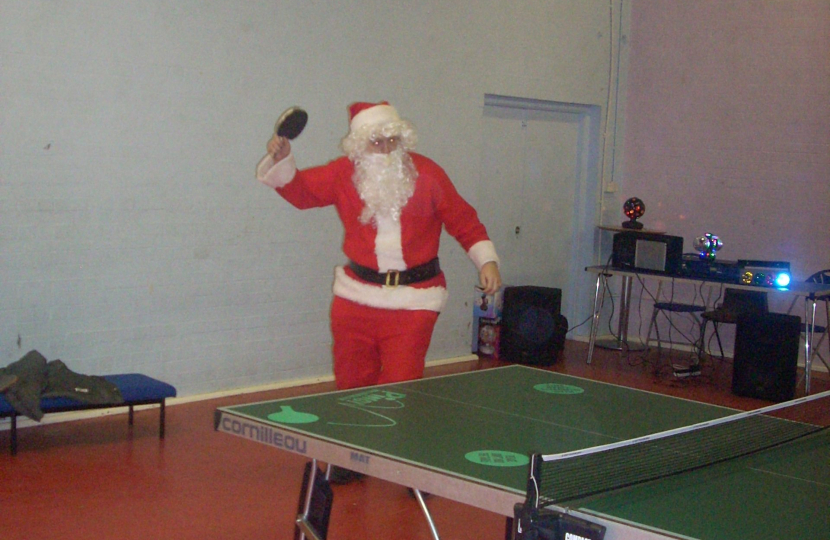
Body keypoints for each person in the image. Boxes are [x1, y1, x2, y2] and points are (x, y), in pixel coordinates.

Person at [256, 101, 502, 391]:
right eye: (376, 142)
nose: (386, 149)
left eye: (393, 140)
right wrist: (282, 160)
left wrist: (487, 261)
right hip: (356, 300)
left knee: (400, 387)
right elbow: (303, 193)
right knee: (352, 384)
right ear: (360, 145)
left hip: (415, 301)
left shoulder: (428, 174)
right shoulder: (343, 174)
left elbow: (462, 218)